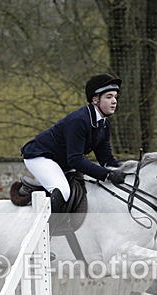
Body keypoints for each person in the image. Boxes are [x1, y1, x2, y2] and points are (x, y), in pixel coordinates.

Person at [20, 73, 126, 212]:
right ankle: (43, 229)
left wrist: (128, 169)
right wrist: (107, 175)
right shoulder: (79, 120)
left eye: (115, 97)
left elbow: (106, 160)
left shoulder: (103, 125)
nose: (114, 101)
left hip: (62, 161)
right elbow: (75, 159)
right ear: (95, 100)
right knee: (63, 191)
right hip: (41, 157)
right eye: (109, 97)